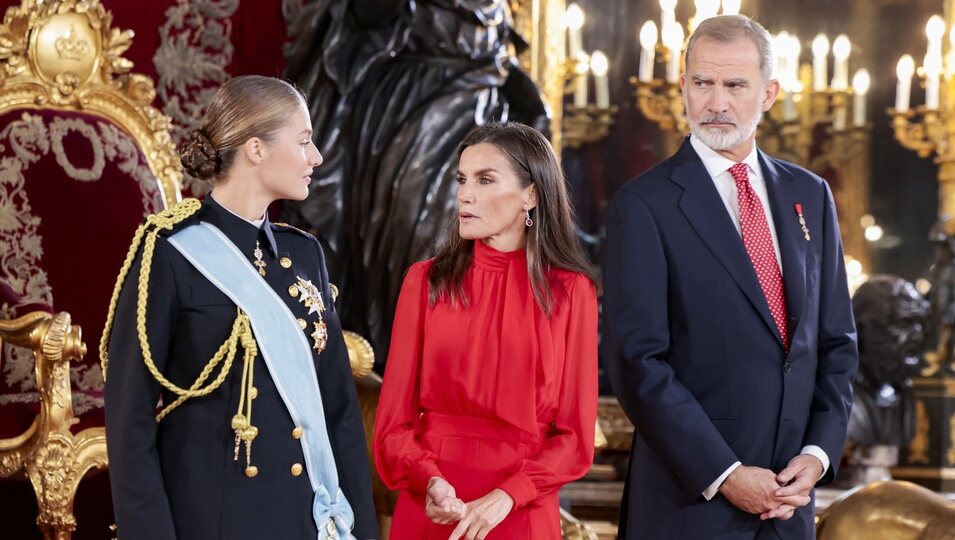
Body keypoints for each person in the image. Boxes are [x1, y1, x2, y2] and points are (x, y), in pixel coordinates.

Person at [604, 15, 858, 539]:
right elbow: (638, 362)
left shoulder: (810, 195)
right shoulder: (643, 204)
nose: (716, 102)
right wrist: (725, 475)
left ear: (768, 93)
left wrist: (816, 454)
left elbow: (836, 344)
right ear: (683, 87)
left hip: (790, 508)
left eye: (734, 85)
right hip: (688, 508)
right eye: (703, 83)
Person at [101, 75, 378, 540]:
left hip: (305, 519)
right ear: (256, 148)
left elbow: (340, 412)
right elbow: (129, 424)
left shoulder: (305, 255)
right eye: (305, 141)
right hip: (214, 521)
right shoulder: (169, 252)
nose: (316, 157)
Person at [281, 0, 549, 368]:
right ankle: (406, 367)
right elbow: (364, 18)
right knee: (420, 234)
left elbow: (493, 43)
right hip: (413, 108)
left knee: (483, 247)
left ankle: (460, 372)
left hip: (482, 104)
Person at [374, 122, 598, 539]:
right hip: (434, 504)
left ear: (531, 195)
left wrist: (509, 495)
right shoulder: (425, 282)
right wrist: (431, 482)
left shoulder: (571, 293)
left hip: (520, 511)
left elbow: (575, 438)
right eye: (462, 179)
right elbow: (392, 425)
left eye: (485, 179)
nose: (464, 194)